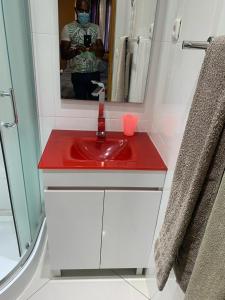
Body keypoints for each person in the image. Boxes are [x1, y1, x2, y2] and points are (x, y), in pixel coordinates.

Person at [60, 0, 104, 100]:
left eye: (86, 11)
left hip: (94, 73)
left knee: (95, 103)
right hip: (78, 74)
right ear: (76, 10)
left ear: (89, 11)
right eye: (81, 11)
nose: (84, 13)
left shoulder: (96, 28)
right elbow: (64, 54)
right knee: (80, 103)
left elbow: (101, 52)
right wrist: (77, 50)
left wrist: (95, 48)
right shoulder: (67, 28)